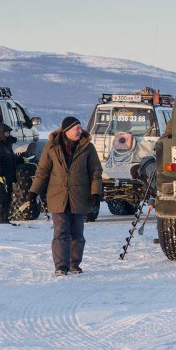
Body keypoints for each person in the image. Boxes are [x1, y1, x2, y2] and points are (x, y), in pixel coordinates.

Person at [29, 117, 102, 276]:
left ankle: (74, 263)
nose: (79, 131)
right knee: (61, 232)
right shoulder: (51, 147)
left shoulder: (88, 147)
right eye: (76, 128)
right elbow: (42, 172)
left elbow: (96, 173)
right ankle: (61, 266)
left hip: (79, 196)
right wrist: (33, 192)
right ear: (66, 130)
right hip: (58, 196)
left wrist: (95, 193)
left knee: (77, 233)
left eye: (80, 127)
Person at [0, 124, 20, 225]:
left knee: (6, 198)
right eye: (6, 132)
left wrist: (21, 159)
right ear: (0, 133)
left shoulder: (6, 145)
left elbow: (10, 158)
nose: (8, 134)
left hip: (8, 176)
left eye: (8, 133)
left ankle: (3, 219)